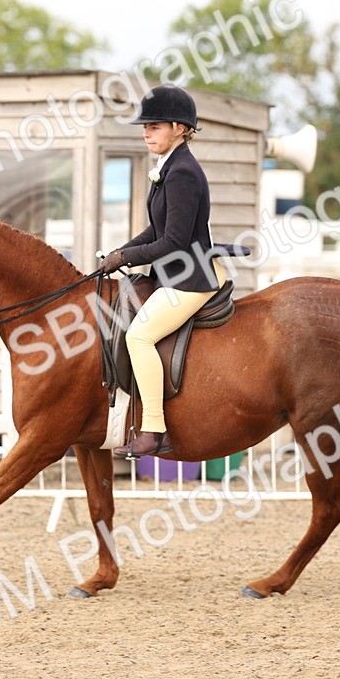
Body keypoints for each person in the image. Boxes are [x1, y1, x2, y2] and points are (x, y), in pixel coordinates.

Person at [99, 84, 228, 457]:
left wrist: (125, 259)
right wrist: (121, 251)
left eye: (153, 126)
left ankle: (154, 429)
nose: (145, 132)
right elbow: (156, 231)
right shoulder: (169, 167)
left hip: (191, 277)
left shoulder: (182, 172)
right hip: (174, 273)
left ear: (178, 127)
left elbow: (172, 240)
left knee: (138, 336)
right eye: (145, 127)